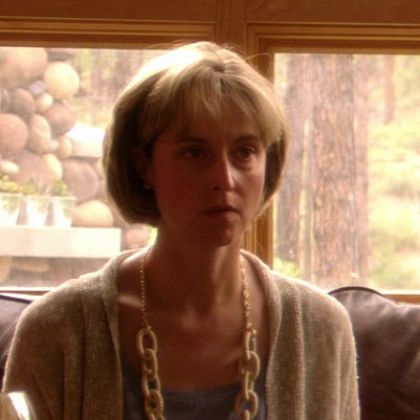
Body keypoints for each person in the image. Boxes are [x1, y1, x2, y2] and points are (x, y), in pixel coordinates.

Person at [3, 41, 360, 419]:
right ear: (144, 165)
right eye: (195, 153)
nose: (224, 179)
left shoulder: (321, 327)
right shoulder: (56, 330)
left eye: (244, 152)